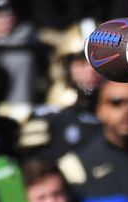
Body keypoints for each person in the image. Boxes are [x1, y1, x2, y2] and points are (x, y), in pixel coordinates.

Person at [18, 20, 101, 161]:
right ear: (66, 68)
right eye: (81, 62)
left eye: (99, 60)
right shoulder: (49, 121)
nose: (91, 71)